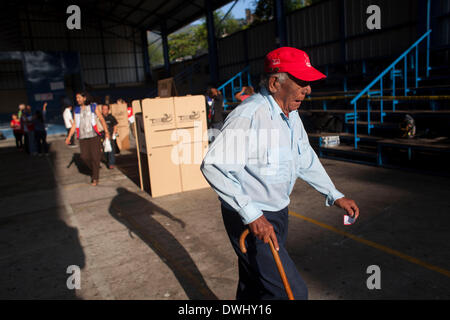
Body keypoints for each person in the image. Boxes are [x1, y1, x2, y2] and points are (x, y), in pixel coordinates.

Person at [201, 47, 360, 300]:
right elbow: (213, 165)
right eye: (302, 82)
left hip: (278, 212)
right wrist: (252, 215)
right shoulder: (249, 115)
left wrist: (334, 194)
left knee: (254, 284)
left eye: (308, 83)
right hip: (251, 217)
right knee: (291, 293)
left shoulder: (291, 114)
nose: (307, 90)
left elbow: (304, 157)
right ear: (275, 83)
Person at [65, 92, 110, 186]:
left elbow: (101, 118)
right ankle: (95, 169)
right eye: (76, 98)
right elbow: (74, 124)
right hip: (82, 137)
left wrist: (106, 131)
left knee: (95, 157)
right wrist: (69, 137)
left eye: (79, 97)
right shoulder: (76, 109)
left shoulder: (93, 106)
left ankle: (95, 177)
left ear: (84, 98)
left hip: (94, 136)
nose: (77, 99)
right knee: (84, 157)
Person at [101, 104, 118, 169]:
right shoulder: (100, 117)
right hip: (102, 136)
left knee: (111, 150)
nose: (104, 110)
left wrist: (114, 133)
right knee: (105, 151)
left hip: (110, 136)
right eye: (103, 109)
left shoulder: (111, 117)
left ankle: (111, 163)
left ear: (108, 110)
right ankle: (107, 160)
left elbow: (115, 125)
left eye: (106, 109)